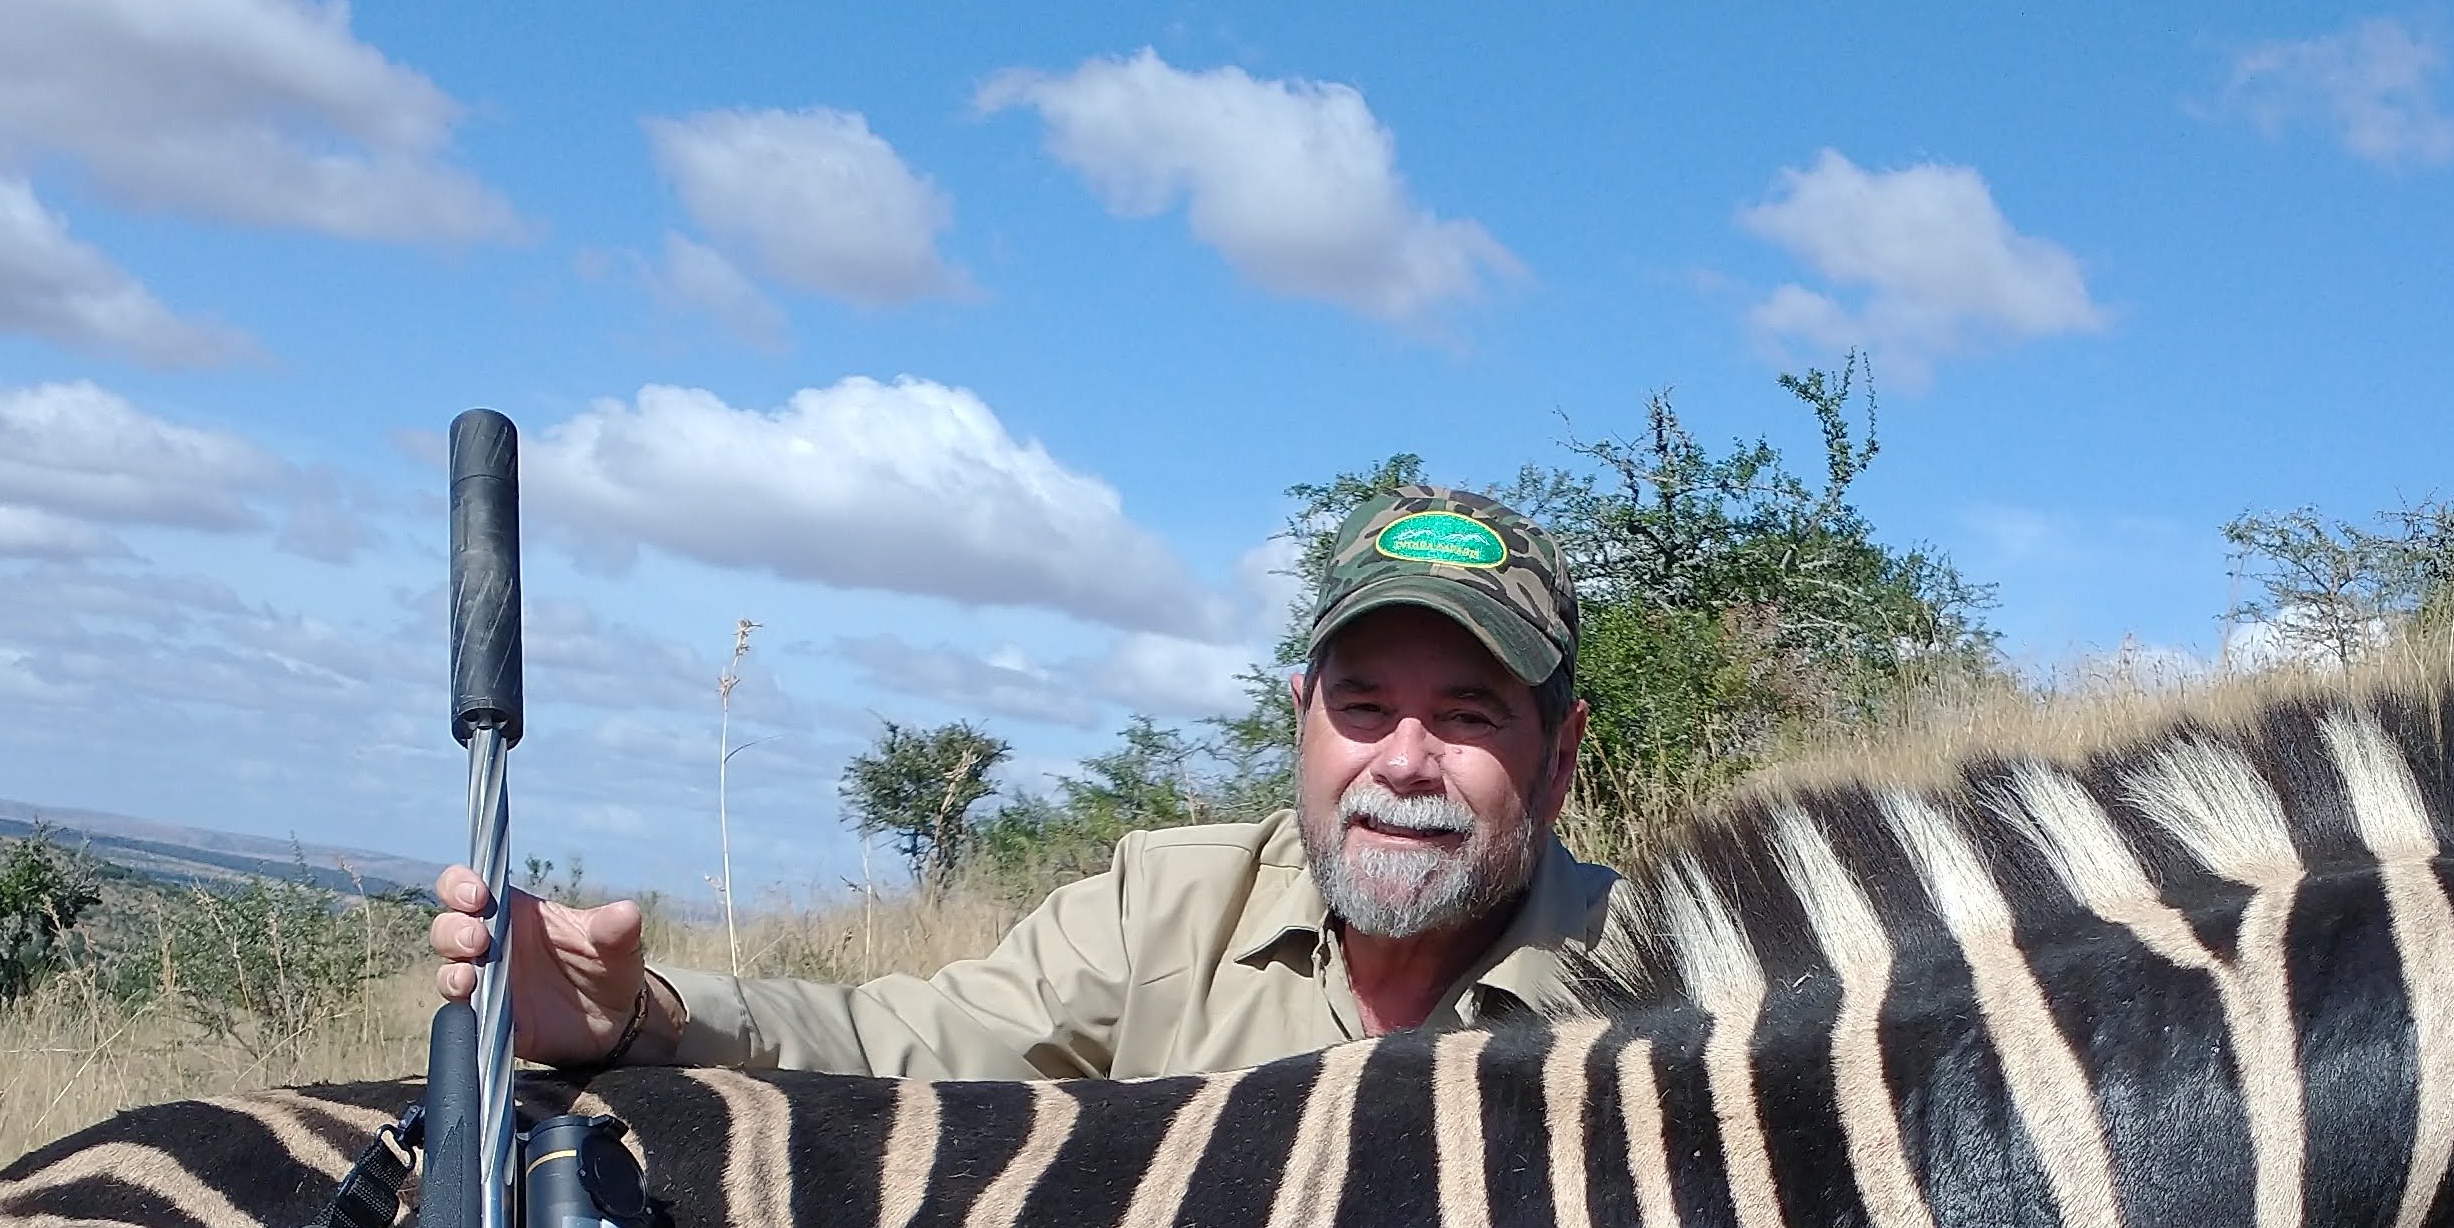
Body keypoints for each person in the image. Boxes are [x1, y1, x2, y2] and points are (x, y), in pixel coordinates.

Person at [429, 489, 1614, 1079]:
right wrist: (639, 1015)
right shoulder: (1170, 905)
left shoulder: (1658, 984)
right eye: (1363, 706)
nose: (1403, 762)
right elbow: (903, 1042)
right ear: (1302, 720)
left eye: (1469, 716)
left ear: (1558, 760)